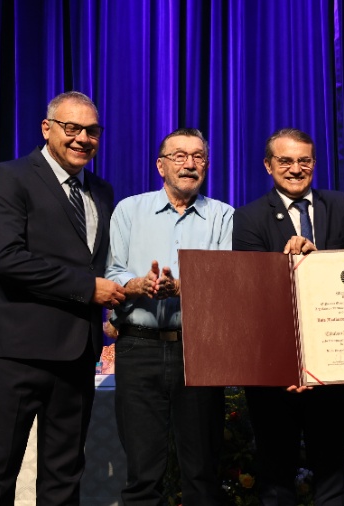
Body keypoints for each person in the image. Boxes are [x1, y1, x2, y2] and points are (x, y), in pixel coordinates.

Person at [0, 91, 125, 505]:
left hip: (76, 355)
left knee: (64, 476)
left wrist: (134, 285)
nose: (82, 139)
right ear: (47, 128)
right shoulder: (9, 176)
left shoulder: (103, 191)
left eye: (92, 131)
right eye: (71, 128)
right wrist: (88, 288)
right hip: (17, 352)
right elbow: (7, 259)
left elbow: (102, 262)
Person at [233, 128, 344, 505]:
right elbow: (253, 300)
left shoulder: (338, 205)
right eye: (285, 161)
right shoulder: (248, 218)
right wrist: (286, 366)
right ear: (268, 166)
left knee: (333, 479)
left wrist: (317, 257)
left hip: (332, 371)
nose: (296, 169)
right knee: (276, 481)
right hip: (274, 378)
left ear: (314, 163)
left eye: (304, 160)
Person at [105, 128, 233, 505]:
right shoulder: (129, 210)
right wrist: (137, 284)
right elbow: (112, 272)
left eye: (198, 157)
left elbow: (228, 284)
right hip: (138, 348)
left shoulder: (224, 216)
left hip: (198, 350)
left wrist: (184, 290)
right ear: (160, 166)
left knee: (202, 473)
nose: (190, 164)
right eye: (179, 156)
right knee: (142, 474)